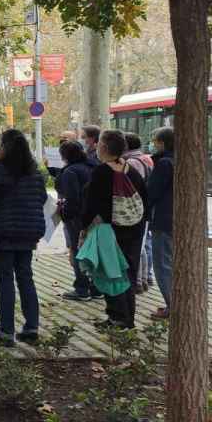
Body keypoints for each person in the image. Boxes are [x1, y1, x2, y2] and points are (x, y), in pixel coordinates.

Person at [0, 129, 47, 347]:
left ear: (4, 148)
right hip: (29, 231)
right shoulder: (34, 173)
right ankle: (31, 328)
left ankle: (6, 331)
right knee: (26, 277)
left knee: (5, 280)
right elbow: (41, 198)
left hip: (3, 232)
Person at [81, 129, 148, 329]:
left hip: (111, 230)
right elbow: (144, 198)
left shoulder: (102, 172)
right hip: (134, 229)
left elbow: (91, 204)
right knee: (129, 272)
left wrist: (84, 228)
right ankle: (128, 318)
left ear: (103, 147)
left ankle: (117, 318)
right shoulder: (131, 169)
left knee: (113, 272)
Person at [55, 140, 99, 301]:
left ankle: (82, 288)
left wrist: (64, 214)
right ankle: (96, 287)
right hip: (95, 216)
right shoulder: (92, 166)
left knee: (78, 251)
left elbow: (72, 199)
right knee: (92, 251)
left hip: (77, 218)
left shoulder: (70, 172)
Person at [147, 127, 174, 320]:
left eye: (155, 141)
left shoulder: (164, 163)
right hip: (176, 219)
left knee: (162, 264)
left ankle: (172, 306)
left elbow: (152, 192)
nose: (153, 144)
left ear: (162, 143)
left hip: (163, 220)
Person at [124, 132, 155, 291]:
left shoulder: (131, 162)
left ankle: (139, 281)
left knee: (139, 246)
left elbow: (131, 187)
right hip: (146, 207)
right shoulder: (145, 158)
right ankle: (146, 277)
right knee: (145, 243)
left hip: (136, 209)